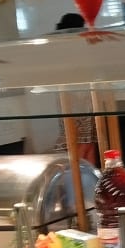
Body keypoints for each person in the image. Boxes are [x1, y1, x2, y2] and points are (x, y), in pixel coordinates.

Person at [51, 13, 99, 165]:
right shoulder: (75, 43)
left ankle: (85, 174)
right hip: (80, 98)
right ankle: (80, 173)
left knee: (86, 141)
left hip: (72, 97)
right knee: (84, 142)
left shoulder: (59, 45)